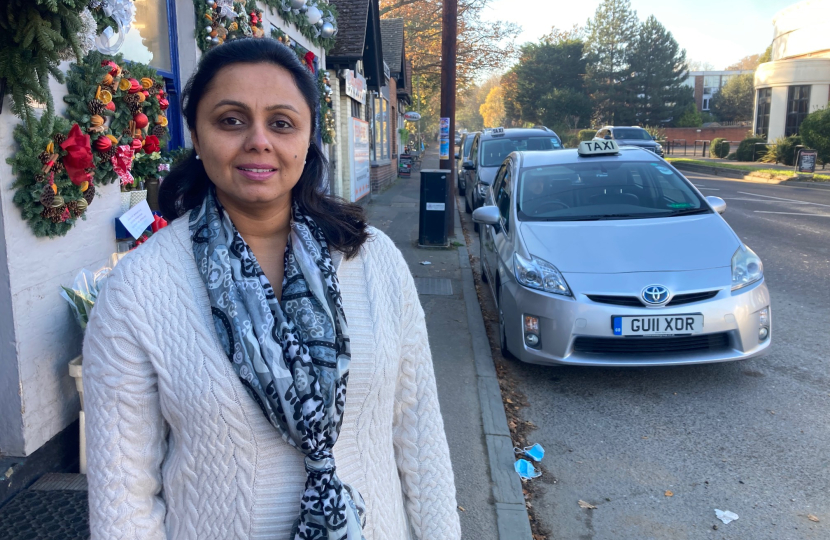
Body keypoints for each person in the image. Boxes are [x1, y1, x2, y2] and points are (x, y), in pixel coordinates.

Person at [83, 38, 461, 540]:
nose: (259, 140)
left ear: (307, 138)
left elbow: (419, 434)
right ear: (196, 135)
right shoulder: (140, 290)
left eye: (282, 123)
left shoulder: (375, 263)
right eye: (231, 120)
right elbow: (124, 499)